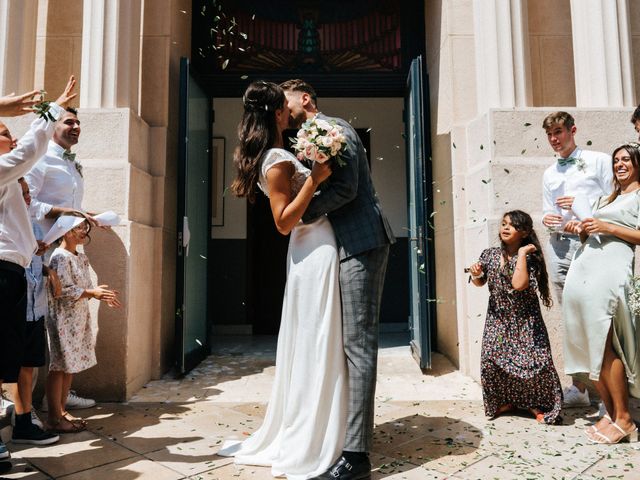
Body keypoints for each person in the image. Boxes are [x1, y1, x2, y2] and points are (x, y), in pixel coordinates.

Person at [218, 81, 345, 479]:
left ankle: (326, 424)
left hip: (315, 247)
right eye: (284, 106)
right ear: (276, 113)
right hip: (312, 247)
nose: (290, 111)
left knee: (319, 338)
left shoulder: (277, 153)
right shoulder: (276, 158)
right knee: (318, 338)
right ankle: (315, 434)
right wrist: (316, 177)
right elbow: (283, 222)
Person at [280, 79, 394, 480]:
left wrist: (304, 214)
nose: (284, 105)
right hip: (347, 244)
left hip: (362, 240)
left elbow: (347, 188)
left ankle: (356, 457)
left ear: (306, 98)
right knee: (346, 346)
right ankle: (348, 435)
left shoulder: (335, 129)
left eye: (287, 98)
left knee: (358, 346)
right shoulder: (312, 134)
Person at [0, 76, 76, 465]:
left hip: (13, 268)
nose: (9, 138)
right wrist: (51, 110)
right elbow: (28, 152)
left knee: (10, 354)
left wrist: (35, 245)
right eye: (2, 133)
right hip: (2, 271)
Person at [563, 143, 640, 444]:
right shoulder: (608, 197)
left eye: (626, 160)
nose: (620, 164)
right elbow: (595, 231)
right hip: (586, 270)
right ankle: (611, 413)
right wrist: (582, 228)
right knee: (591, 347)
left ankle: (624, 418)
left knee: (605, 345)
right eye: (616, 160)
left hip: (610, 272)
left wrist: (607, 226)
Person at [25, 106, 97, 411]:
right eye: (69, 121)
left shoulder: (71, 162)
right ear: (52, 127)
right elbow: (28, 203)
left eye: (78, 122)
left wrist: (82, 218)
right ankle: (26, 408)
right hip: (38, 252)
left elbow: (69, 205)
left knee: (61, 327)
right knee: (37, 330)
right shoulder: (40, 158)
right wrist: (62, 212)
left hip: (61, 252)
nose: (76, 126)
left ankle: (56, 399)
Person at [541, 111, 613, 408]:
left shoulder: (599, 160)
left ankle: (611, 388)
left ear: (573, 130)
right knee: (571, 316)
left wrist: (585, 214)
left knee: (598, 312)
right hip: (559, 248)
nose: (555, 139)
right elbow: (548, 214)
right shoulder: (549, 173)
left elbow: (615, 201)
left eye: (559, 132)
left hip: (593, 245)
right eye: (550, 135)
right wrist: (549, 220)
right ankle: (579, 388)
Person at [469, 210, 563, 424]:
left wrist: (520, 254)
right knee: (492, 360)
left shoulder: (530, 257)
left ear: (525, 232)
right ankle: (506, 401)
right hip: (498, 318)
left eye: (512, 225)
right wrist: (475, 274)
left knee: (536, 363)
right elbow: (480, 282)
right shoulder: (489, 254)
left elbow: (518, 284)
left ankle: (536, 404)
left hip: (525, 320)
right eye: (504, 223)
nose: (505, 227)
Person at [44, 214, 120, 433]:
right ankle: (54, 418)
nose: (85, 231)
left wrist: (102, 292)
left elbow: (85, 287)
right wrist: (92, 293)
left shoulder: (80, 257)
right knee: (59, 367)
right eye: (80, 228)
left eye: (86, 227)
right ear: (67, 232)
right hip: (63, 319)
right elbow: (61, 292)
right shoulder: (60, 257)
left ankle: (62, 410)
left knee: (70, 367)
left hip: (77, 318)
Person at [5, 178, 60, 445]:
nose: (27, 198)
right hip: (13, 303)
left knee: (28, 366)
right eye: (22, 192)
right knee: (9, 368)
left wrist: (48, 267)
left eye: (28, 193)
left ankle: (24, 424)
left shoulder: (34, 224)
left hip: (34, 306)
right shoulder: (7, 223)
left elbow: (38, 261)